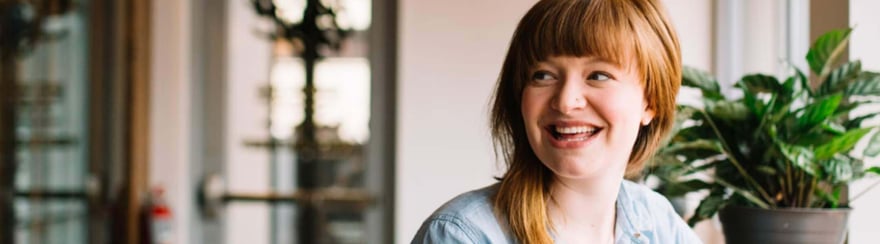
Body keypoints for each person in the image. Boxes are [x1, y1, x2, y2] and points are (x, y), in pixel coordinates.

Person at [411, 0, 702, 243]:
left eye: (598, 76)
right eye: (543, 75)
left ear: (650, 101)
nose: (565, 101)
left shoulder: (658, 223)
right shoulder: (462, 234)